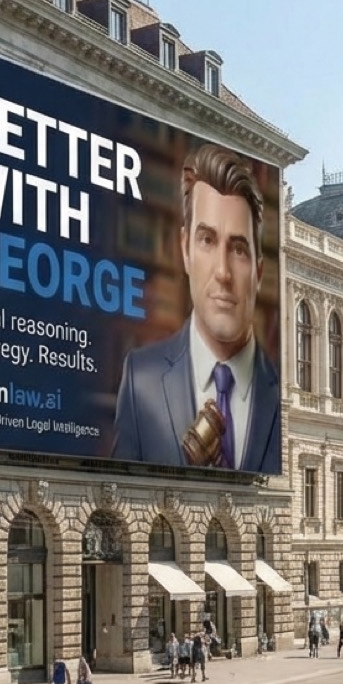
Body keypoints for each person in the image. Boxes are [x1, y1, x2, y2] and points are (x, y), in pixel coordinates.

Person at [111, 143, 280, 473]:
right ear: (185, 250)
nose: (222, 272)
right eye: (207, 240)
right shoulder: (139, 379)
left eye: (239, 249)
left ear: (259, 273)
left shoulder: (281, 398)